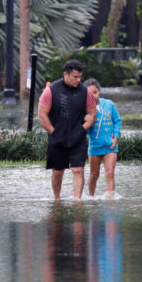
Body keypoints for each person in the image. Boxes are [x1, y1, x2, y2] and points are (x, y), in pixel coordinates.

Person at [38, 59, 97, 199]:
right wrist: (53, 132)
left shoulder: (85, 92)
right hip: (57, 138)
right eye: (75, 77)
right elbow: (42, 115)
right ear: (66, 74)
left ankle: (77, 201)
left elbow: (92, 114)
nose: (78, 80)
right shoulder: (51, 90)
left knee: (78, 169)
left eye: (80, 77)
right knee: (58, 172)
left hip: (78, 138)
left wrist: (83, 128)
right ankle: (57, 198)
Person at [84, 78, 121, 198]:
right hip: (95, 147)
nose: (93, 96)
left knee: (110, 172)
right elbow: (84, 130)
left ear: (99, 91)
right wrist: (87, 120)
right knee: (94, 175)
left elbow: (117, 121)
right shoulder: (84, 109)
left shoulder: (109, 104)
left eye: (95, 92)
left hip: (110, 145)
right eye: (90, 94)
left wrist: (116, 137)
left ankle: (110, 199)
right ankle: (91, 197)